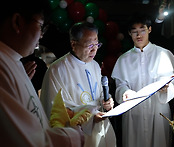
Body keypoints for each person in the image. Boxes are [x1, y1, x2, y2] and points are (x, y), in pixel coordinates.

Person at [0, 0, 84, 146]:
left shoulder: (14, 62)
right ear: (17, 22)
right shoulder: (3, 66)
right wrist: (74, 135)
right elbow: (27, 140)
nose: (41, 36)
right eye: (40, 26)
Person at [40, 21, 116, 147]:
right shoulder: (57, 69)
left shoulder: (95, 65)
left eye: (96, 44)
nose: (94, 49)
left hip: (99, 130)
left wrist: (106, 101)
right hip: (76, 135)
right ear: (73, 44)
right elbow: (57, 109)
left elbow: (98, 94)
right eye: (89, 45)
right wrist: (91, 117)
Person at [111, 13, 174, 147]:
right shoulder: (124, 59)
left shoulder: (163, 54)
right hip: (134, 115)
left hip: (158, 112)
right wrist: (125, 92)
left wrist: (166, 89)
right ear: (129, 34)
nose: (139, 35)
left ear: (149, 29)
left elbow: (171, 84)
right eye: (135, 32)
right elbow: (120, 85)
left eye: (142, 30)